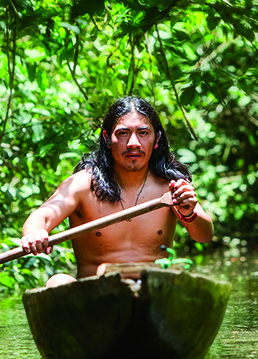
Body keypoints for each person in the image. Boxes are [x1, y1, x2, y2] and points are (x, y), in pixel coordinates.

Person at [21, 95, 213, 287]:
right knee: (58, 281)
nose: (133, 143)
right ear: (107, 138)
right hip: (97, 296)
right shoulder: (83, 185)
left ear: (157, 139)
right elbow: (44, 215)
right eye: (123, 133)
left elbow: (204, 235)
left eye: (143, 133)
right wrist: (35, 233)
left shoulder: (171, 186)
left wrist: (189, 212)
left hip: (153, 294)